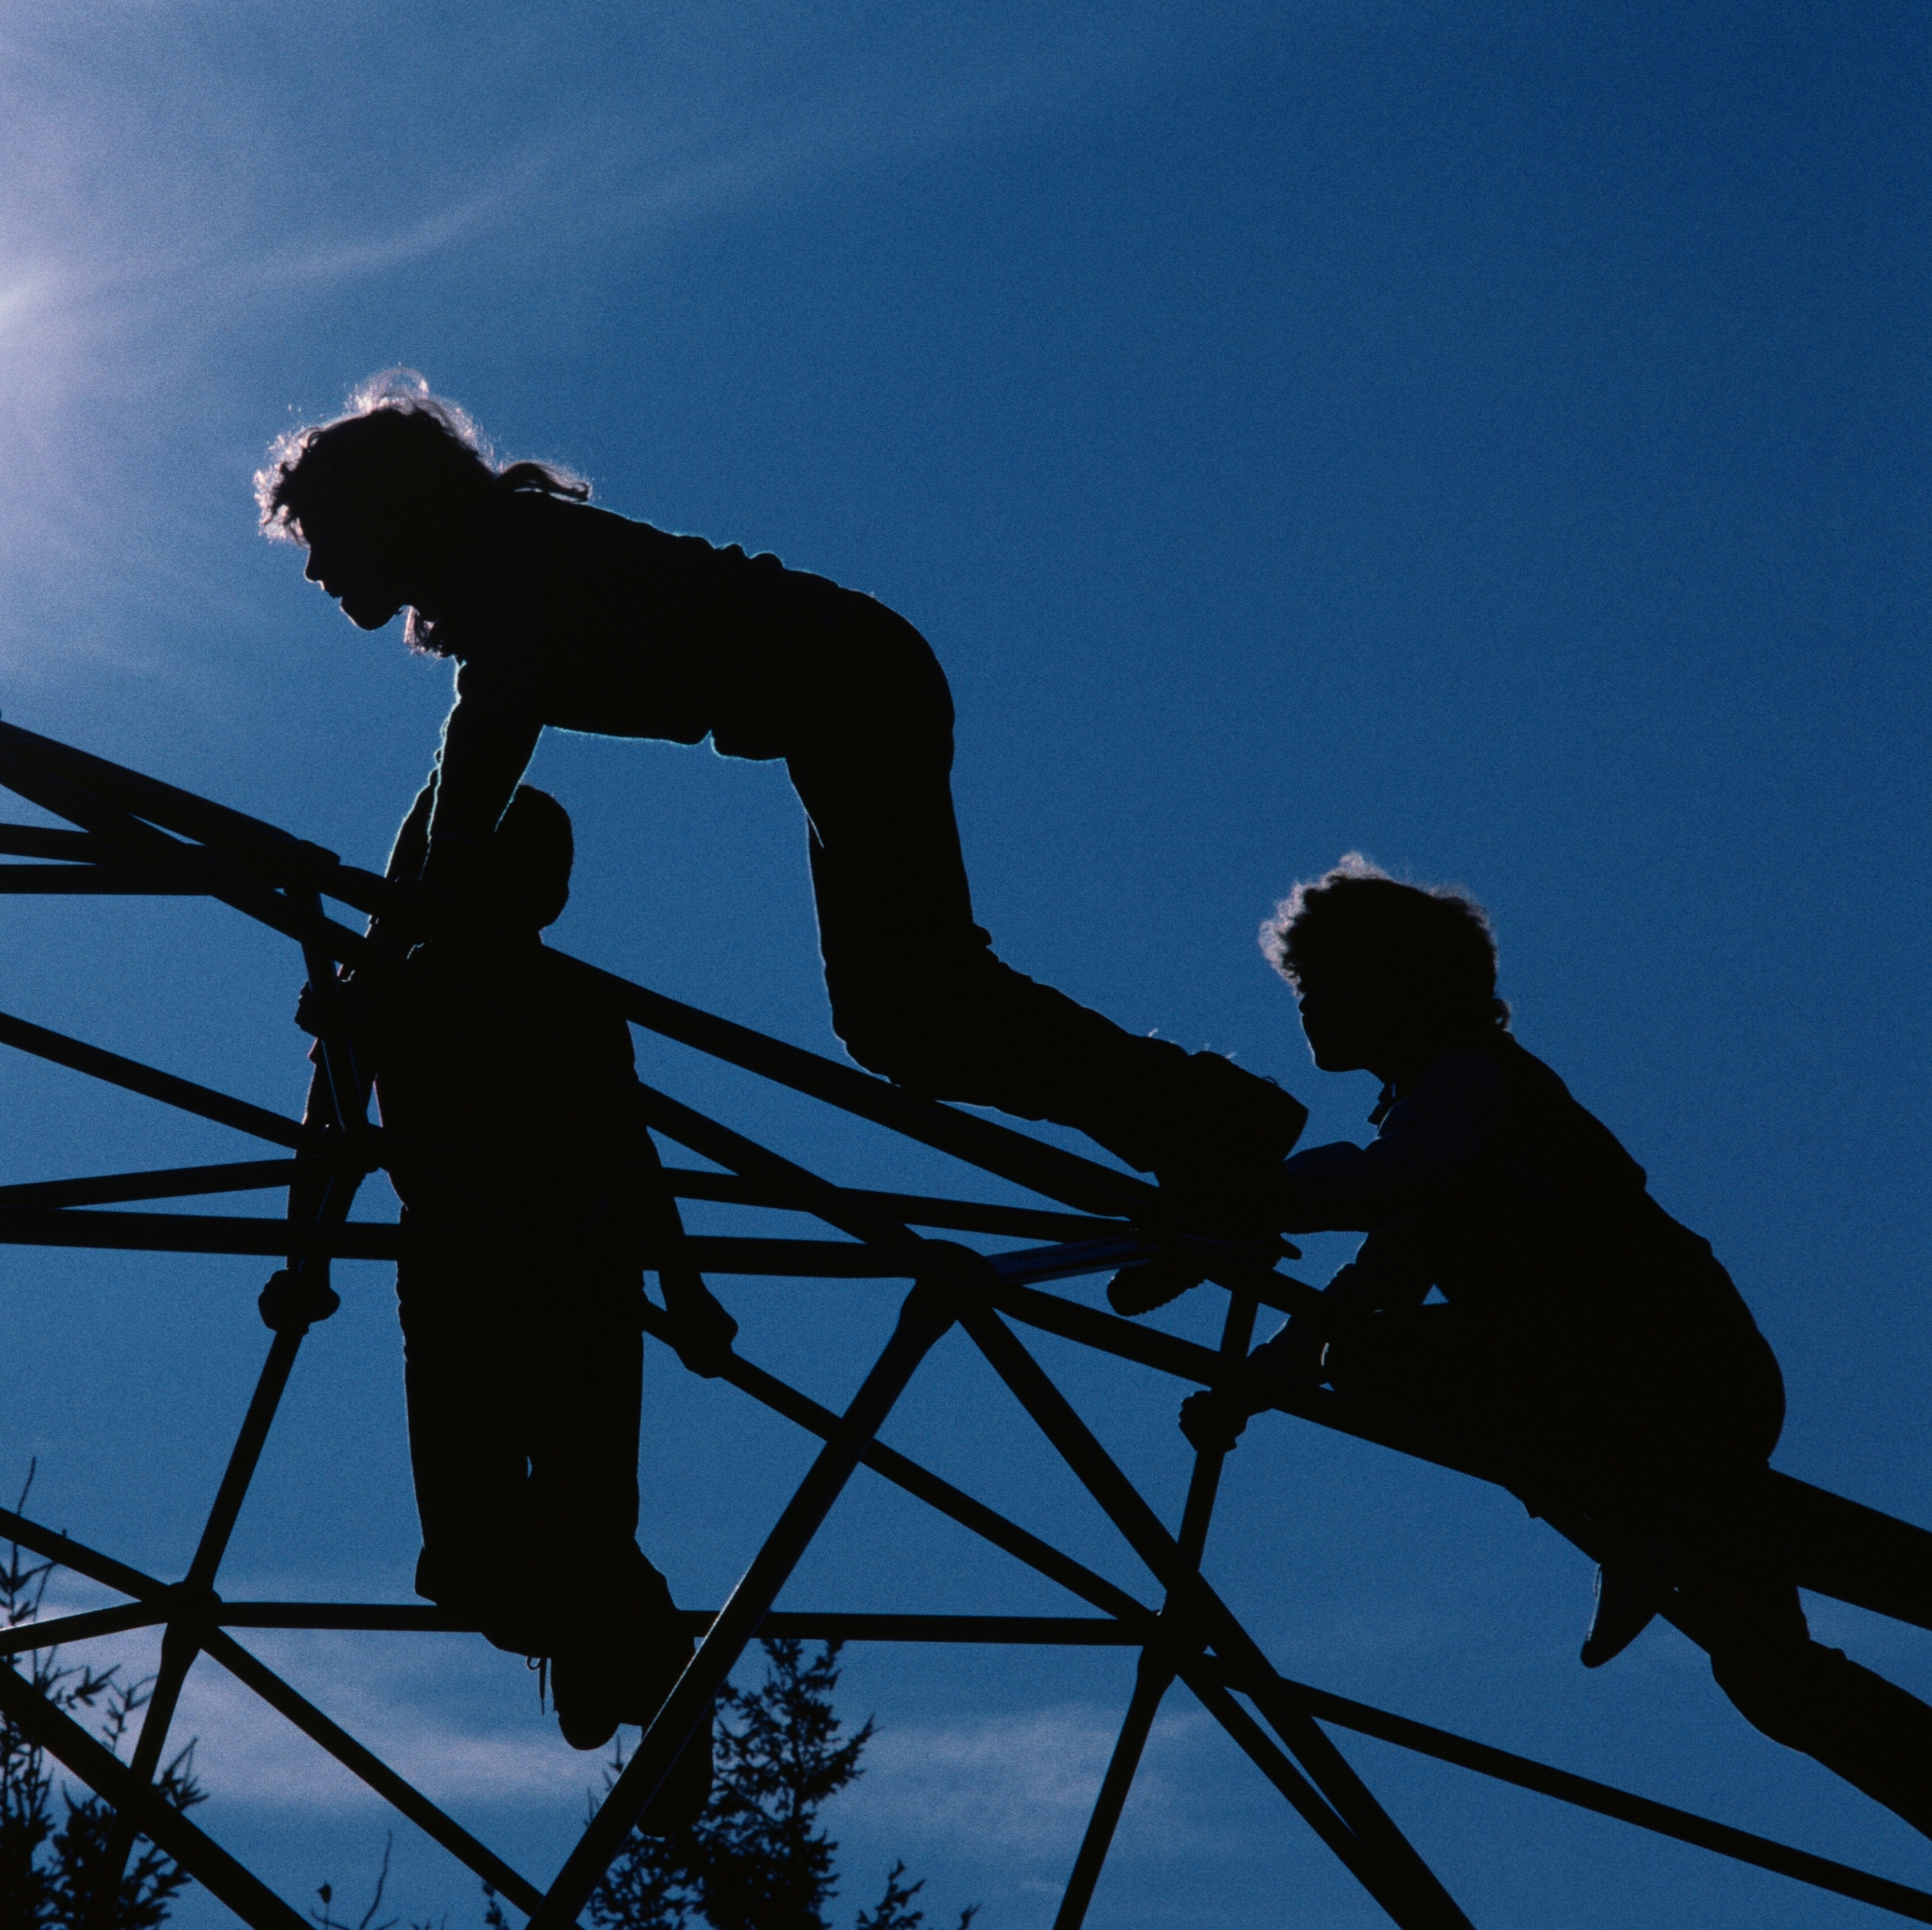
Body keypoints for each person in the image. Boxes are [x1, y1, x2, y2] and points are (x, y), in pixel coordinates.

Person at [256, 377, 1304, 1252]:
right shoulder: (494, 575)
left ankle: (1213, 1126)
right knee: (908, 1014)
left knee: (908, 1011)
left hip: (850, 686)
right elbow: (452, 780)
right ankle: (1202, 1131)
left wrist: (398, 944)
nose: (312, 565)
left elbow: (490, 736)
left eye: (321, 535)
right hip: (841, 696)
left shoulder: (500, 552)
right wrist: (379, 953)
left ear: (384, 512)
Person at [1187, 857, 1932, 1834]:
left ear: (1405, 984)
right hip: (1656, 1383)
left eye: (1327, 983)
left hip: (1669, 1370)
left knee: (1379, 1362)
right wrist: (1248, 1385)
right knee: (1765, 1672)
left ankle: (1635, 1515)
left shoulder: (1470, 1083)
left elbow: (1385, 1190)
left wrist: (1251, 1196)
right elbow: (1371, 1278)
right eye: (1302, 989)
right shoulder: (1439, 1107)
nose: (1310, 1008)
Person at [278, 780, 733, 1834]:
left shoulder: (561, 1000)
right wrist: (306, 1259)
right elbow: (335, 1130)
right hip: (472, 1274)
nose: (527, 898)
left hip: (567, 1272)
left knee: (562, 1528)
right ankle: (614, 1652)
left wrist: (685, 1286)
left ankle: (623, 1659)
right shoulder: (390, 989)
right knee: (473, 1562)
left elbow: (632, 1151)